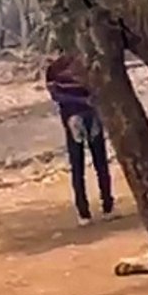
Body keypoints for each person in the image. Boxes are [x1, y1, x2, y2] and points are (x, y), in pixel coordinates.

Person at [46, 54, 116, 226]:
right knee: (90, 164)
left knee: (88, 164)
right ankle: (94, 208)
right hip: (81, 116)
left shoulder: (84, 65)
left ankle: (99, 207)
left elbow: (56, 95)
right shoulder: (61, 68)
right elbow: (56, 95)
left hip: (80, 116)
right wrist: (85, 101)